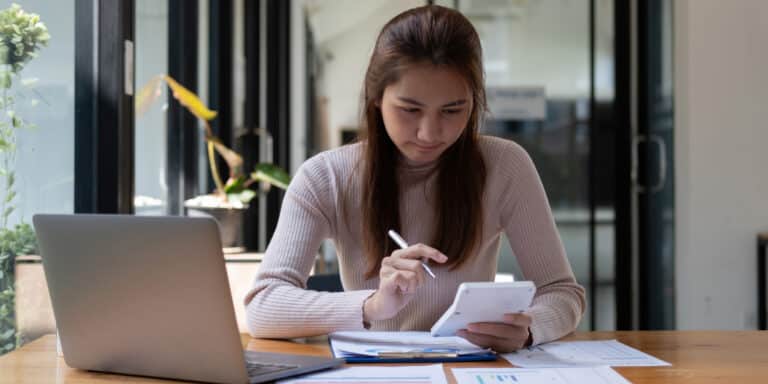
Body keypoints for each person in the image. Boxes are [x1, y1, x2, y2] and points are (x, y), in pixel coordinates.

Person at [244, 5, 585, 352]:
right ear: (376, 98)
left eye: (453, 110)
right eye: (410, 109)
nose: (429, 132)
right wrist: (372, 306)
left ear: (474, 102)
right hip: (372, 373)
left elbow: (561, 291)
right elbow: (263, 306)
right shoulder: (326, 177)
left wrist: (529, 328)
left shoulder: (504, 165)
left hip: (468, 371)